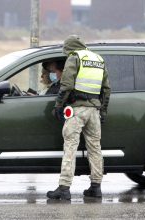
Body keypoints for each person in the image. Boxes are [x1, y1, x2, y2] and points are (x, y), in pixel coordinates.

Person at [46, 35, 111, 200]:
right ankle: (96, 187)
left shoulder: (74, 58)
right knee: (95, 149)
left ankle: (64, 188)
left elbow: (66, 85)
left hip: (78, 109)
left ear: (70, 48)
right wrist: (103, 110)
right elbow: (106, 89)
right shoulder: (98, 59)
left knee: (70, 147)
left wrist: (58, 105)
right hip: (94, 110)